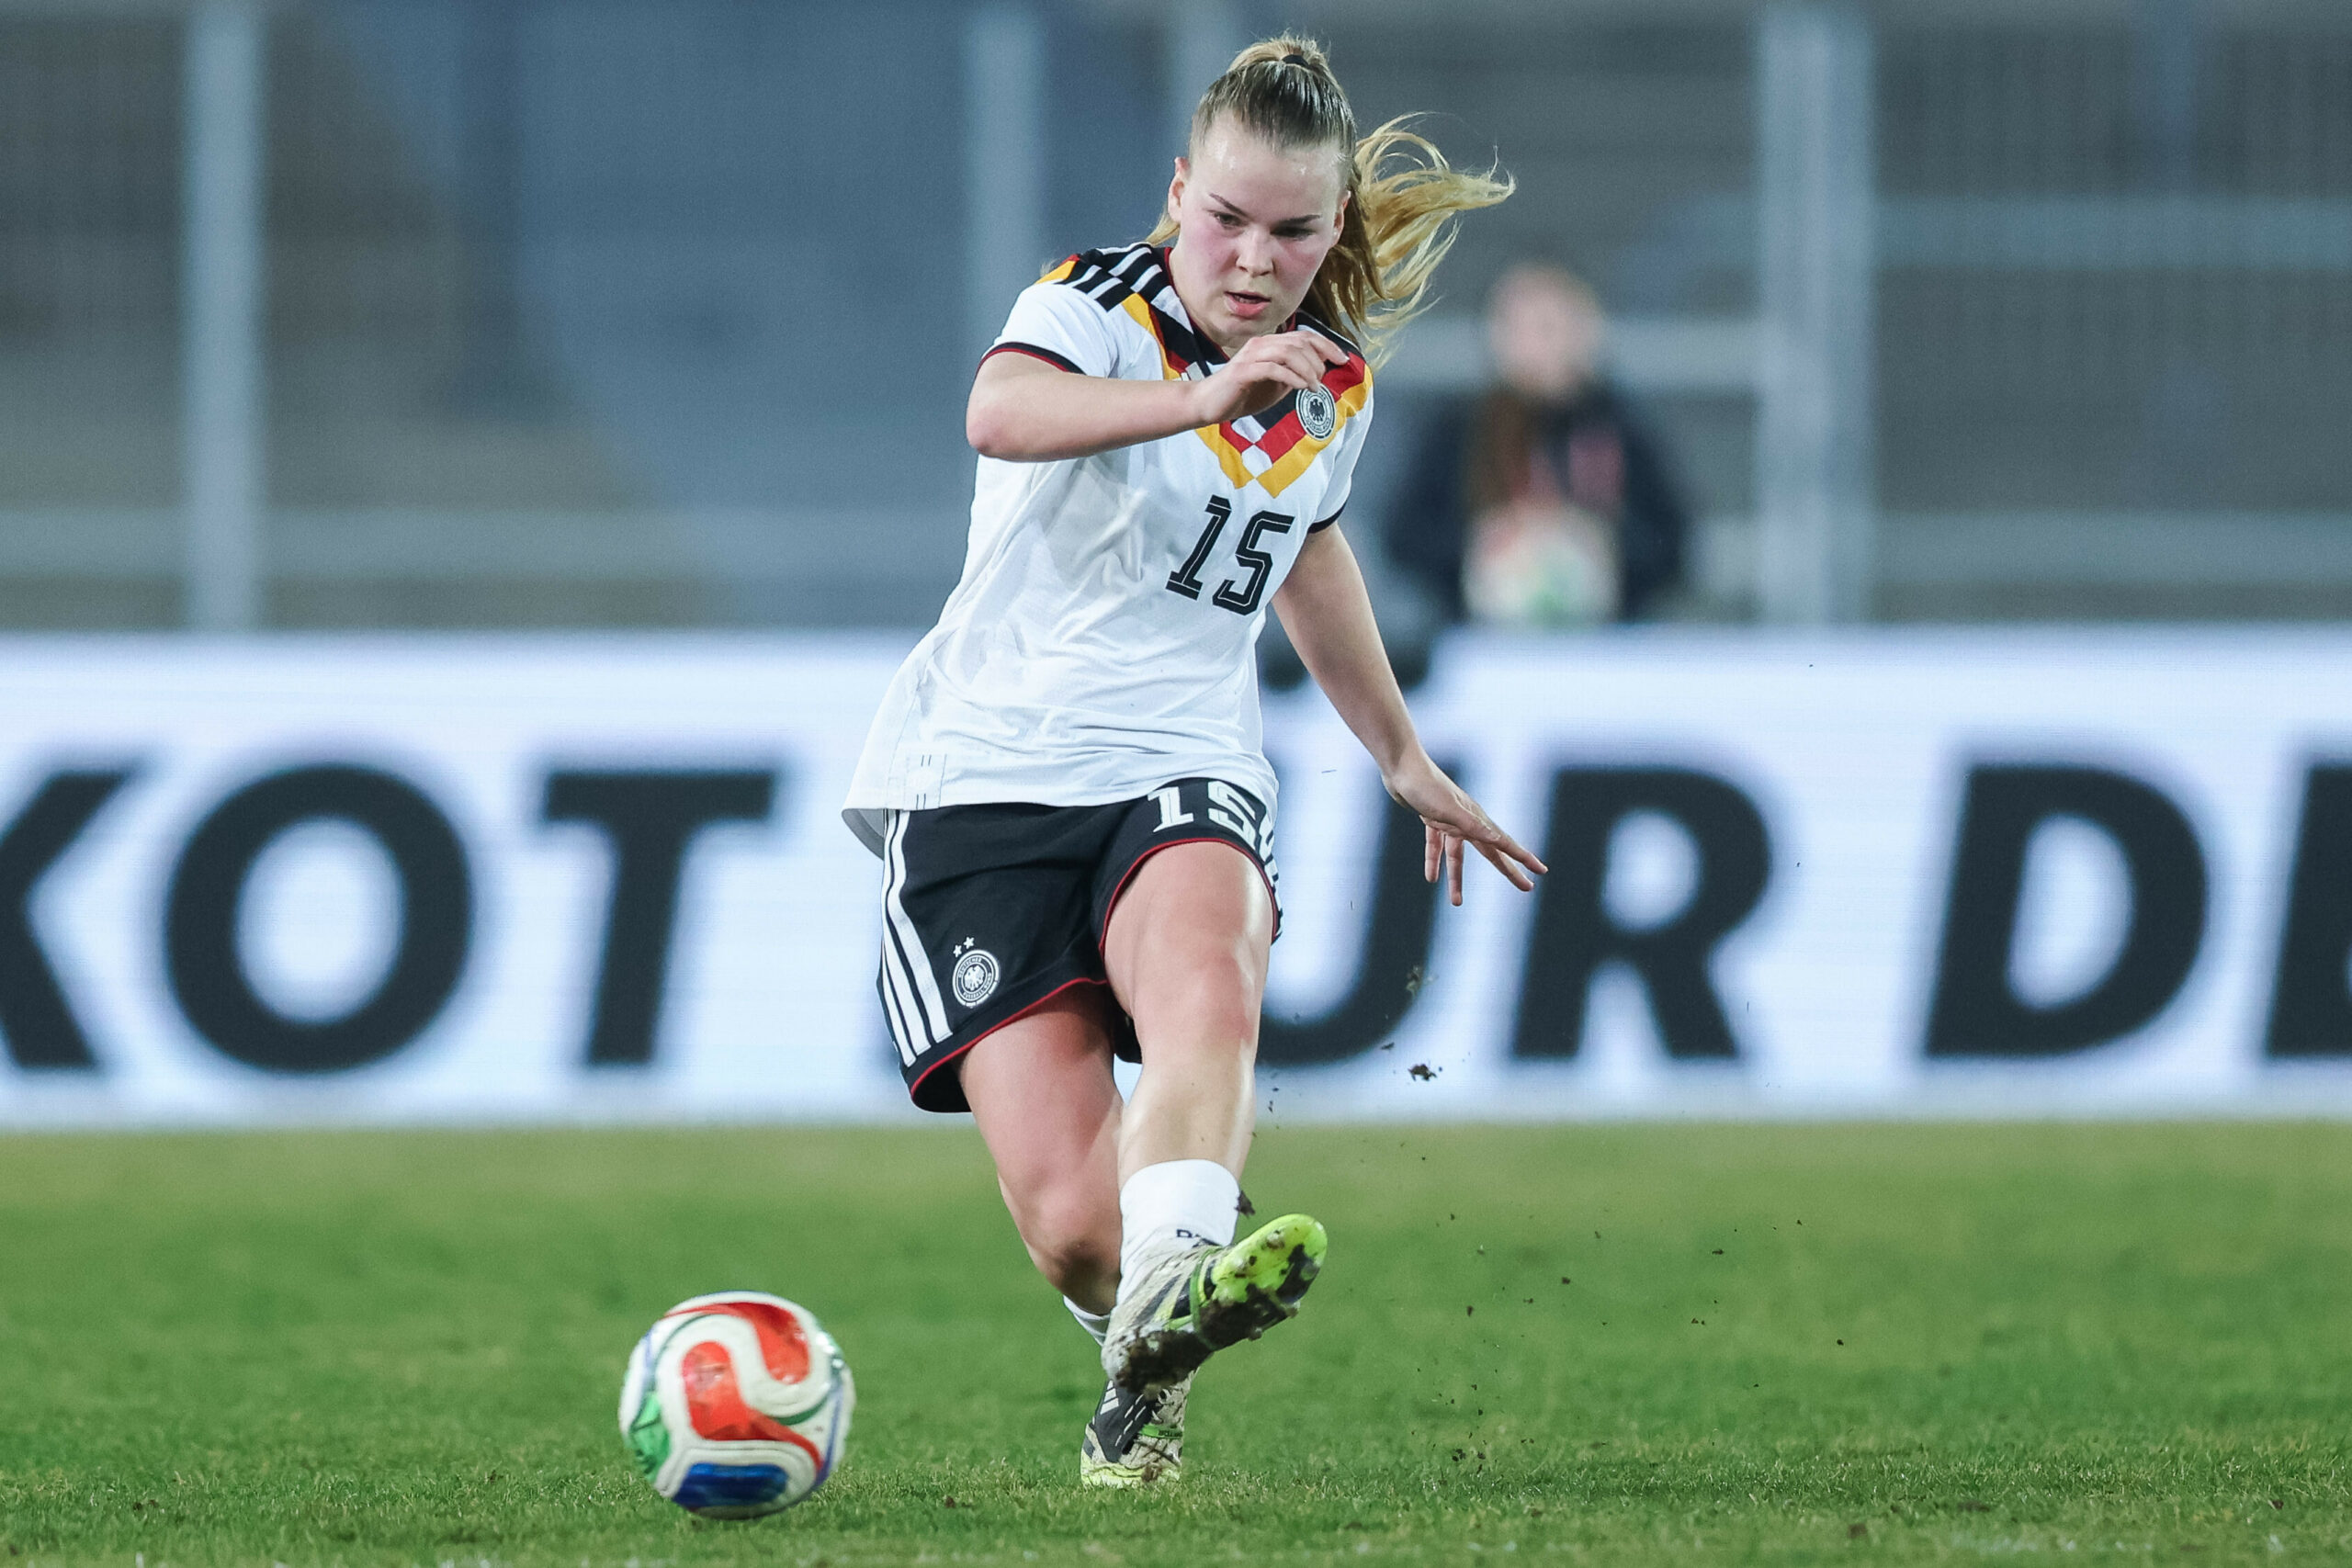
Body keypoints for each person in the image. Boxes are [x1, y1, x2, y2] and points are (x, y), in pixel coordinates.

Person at [842, 37, 1545, 1489]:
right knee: (1076, 1229)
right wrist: (1199, 398)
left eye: (1293, 230)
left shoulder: (1327, 381)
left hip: (1180, 757)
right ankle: (1143, 1353)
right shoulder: (1097, 305)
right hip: (982, 778)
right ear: (1179, 192)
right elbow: (1000, 411)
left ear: (1334, 226)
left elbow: (1308, 549)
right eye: (1226, 217)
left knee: (1208, 967)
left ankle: (1174, 1290)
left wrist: (1400, 752)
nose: (1252, 257)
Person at [1386, 263, 1690, 627]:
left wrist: (1602, 545)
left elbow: (1673, 544)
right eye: (1516, 328)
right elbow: (1405, 537)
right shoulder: (1460, 431)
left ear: (1585, 333)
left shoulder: (1619, 428)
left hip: (1608, 653)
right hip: (1479, 650)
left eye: (1548, 328)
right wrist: (1481, 545)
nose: (1532, 346)